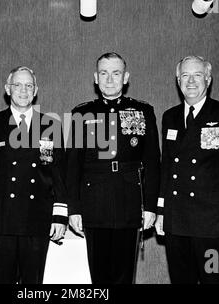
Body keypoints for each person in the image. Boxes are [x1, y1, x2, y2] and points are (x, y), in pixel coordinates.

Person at [66, 52, 160, 284]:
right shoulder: (82, 113)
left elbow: (152, 163)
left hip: (129, 205)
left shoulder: (142, 112)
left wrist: (150, 206)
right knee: (99, 277)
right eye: (104, 73)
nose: (109, 79)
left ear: (125, 77)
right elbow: (72, 165)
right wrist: (74, 209)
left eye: (116, 73)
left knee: (124, 276)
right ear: (95, 78)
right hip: (94, 206)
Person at [155, 55, 219, 284]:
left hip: (211, 224)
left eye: (197, 75)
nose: (191, 81)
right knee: (181, 280)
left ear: (208, 79)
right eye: (185, 75)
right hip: (177, 221)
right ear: (178, 81)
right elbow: (167, 167)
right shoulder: (170, 117)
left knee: (213, 277)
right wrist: (161, 211)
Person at [0, 66, 67, 284]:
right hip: (1, 220)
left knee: (33, 285)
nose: (23, 90)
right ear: (8, 89)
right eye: (17, 85)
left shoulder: (51, 124)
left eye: (28, 86)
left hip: (37, 219)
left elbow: (58, 172)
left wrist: (59, 215)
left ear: (35, 91)